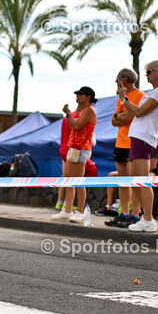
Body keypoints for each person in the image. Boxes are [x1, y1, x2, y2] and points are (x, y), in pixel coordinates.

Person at [118, 61, 158, 233]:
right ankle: (146, 218)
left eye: (149, 71)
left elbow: (138, 112)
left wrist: (124, 98)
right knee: (136, 180)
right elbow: (136, 112)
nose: (147, 74)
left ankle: (149, 219)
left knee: (142, 180)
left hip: (144, 138)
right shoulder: (154, 92)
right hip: (138, 137)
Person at [105, 68, 145, 227]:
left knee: (133, 182)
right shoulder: (121, 98)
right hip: (120, 143)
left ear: (125, 79)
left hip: (132, 143)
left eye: (117, 78)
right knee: (123, 182)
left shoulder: (140, 96)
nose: (116, 81)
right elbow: (114, 120)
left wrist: (120, 116)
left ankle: (135, 214)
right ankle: (124, 213)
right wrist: (120, 116)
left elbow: (130, 115)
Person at [52, 87, 97, 222]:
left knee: (78, 180)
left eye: (80, 94)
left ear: (88, 96)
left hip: (81, 147)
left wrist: (68, 114)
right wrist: (70, 113)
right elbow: (74, 126)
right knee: (69, 179)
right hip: (75, 147)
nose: (77, 96)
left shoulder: (89, 110)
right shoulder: (82, 110)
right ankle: (68, 210)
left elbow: (76, 126)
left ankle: (81, 212)